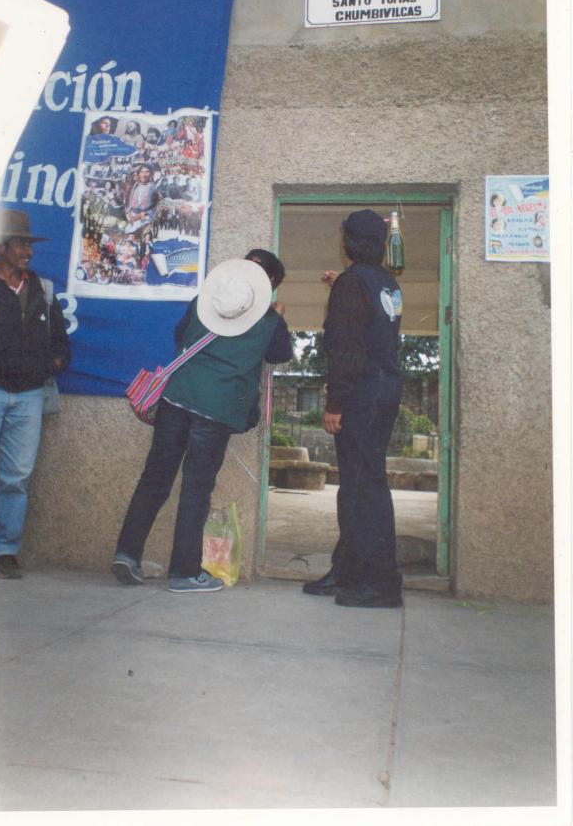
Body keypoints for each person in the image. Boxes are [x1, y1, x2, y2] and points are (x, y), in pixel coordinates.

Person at [111, 249, 292, 592]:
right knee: (196, 489)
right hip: (217, 410)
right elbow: (280, 355)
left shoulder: (204, 300)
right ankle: (183, 572)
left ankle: (127, 553)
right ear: (268, 284)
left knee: (154, 479)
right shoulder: (269, 321)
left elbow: (181, 336)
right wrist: (278, 314)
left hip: (176, 399)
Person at [302, 209, 404, 608]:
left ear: (346, 243)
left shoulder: (352, 282)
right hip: (385, 389)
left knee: (365, 489)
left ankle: (381, 585)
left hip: (362, 393)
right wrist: (340, 287)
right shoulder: (384, 282)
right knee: (360, 487)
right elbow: (371, 327)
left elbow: (347, 348)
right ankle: (347, 571)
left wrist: (334, 402)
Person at [0, 208, 71, 579]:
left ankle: (4, 552)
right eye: (21, 244)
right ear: (0, 247)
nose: (28, 252)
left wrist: (51, 365)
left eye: (28, 245)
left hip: (30, 396)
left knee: (15, 477)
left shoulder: (41, 289)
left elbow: (60, 343)